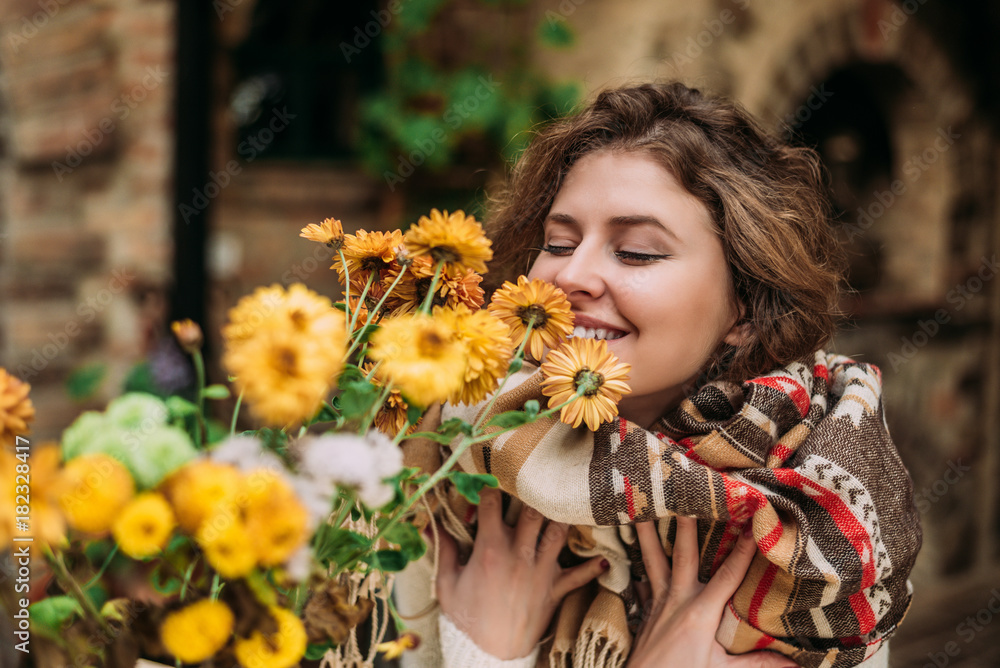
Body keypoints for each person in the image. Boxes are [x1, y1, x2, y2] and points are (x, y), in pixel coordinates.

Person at [395, 82, 921, 668]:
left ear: (745, 308)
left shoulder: (809, 523)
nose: (572, 275)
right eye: (558, 241)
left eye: (637, 252)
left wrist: (485, 655)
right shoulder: (461, 457)